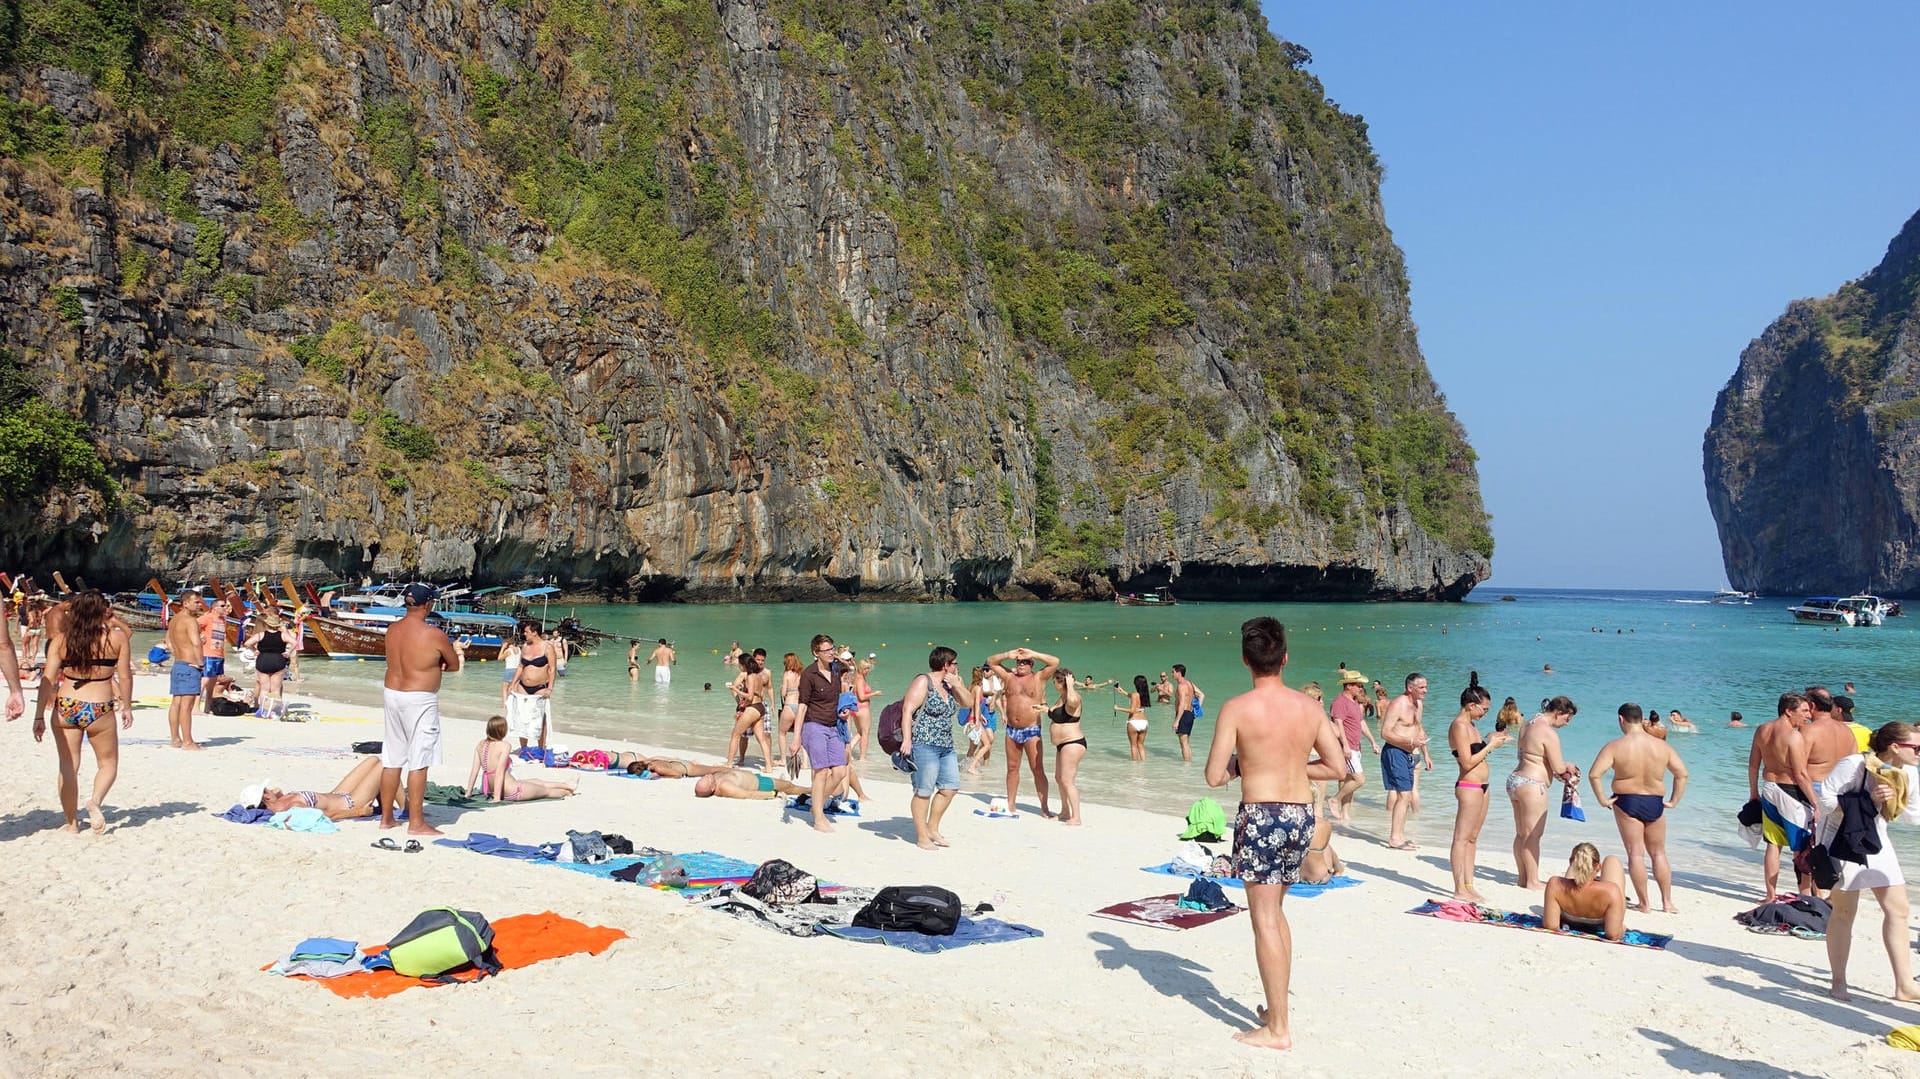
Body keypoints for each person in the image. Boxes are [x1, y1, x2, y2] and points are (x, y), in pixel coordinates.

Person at [1203, 617, 1346, 1051]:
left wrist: (1248, 766)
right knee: (1277, 913)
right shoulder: (1310, 708)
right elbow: (1338, 769)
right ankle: (1275, 1008)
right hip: (1301, 814)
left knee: (1264, 919)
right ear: (1285, 658)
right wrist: (1291, 767)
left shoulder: (1236, 708)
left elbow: (1213, 776)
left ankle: (1278, 1028)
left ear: (1246, 660)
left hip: (1261, 816)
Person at [1817, 721, 1920, 1002]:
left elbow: (1913, 817)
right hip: (1844, 841)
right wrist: (1866, 798)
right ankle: (1838, 982)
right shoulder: (1854, 764)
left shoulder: (1908, 772)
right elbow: (1824, 799)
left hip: (1878, 841)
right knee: (1844, 913)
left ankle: (1905, 985)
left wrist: (1895, 795)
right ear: (1895, 747)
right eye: (1917, 747)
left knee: (1899, 910)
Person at [32, 591, 132, 833]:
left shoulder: (61, 640)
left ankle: (71, 823)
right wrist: (126, 706)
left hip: (67, 706)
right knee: (108, 764)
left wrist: (38, 715)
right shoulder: (117, 639)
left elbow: (48, 679)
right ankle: (94, 801)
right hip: (100, 707)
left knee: (68, 765)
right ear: (102, 611)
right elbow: (125, 676)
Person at [1589, 703, 1688, 913]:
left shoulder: (1615, 746)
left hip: (1627, 801)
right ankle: (1667, 903)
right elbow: (1682, 774)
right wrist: (1673, 801)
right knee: (1659, 853)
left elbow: (1594, 774)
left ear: (1621, 719)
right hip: (1655, 801)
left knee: (1636, 854)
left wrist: (1602, 800)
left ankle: (1644, 904)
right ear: (1641, 719)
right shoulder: (1661, 746)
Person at [379, 583, 460, 837]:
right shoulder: (433, 634)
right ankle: (416, 823)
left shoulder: (392, 630)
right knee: (419, 760)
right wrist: (439, 664)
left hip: (392, 693)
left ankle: (386, 818)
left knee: (392, 757)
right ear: (428, 604)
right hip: (419, 698)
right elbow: (455, 664)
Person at [899, 645, 973, 849]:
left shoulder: (951, 685)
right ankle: (922, 836)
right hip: (924, 743)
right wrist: (907, 739)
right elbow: (907, 709)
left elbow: (968, 703)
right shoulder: (924, 681)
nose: (958, 667)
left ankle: (932, 827)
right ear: (946, 665)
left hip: (946, 745)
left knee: (950, 787)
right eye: (955, 663)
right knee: (924, 790)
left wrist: (957, 685)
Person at [1750, 692, 1819, 901]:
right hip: (1790, 793)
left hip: (1768, 787)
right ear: (1789, 711)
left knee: (1773, 844)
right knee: (1801, 847)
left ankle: (1770, 895)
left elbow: (1754, 764)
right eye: (1804, 711)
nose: (1808, 715)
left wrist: (1753, 792)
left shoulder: (1762, 729)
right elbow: (1800, 774)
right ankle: (1805, 895)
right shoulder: (1794, 736)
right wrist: (1816, 804)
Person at [1508, 696, 1580, 889]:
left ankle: (1523, 878)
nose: (1566, 724)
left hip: (1515, 780)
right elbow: (1557, 767)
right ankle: (1532, 880)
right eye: (1567, 719)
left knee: (1521, 833)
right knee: (1533, 835)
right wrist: (1569, 767)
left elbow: (1530, 754)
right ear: (1558, 713)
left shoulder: (1527, 724)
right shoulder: (1548, 732)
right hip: (1532, 784)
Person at [1445, 672, 1506, 901]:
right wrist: (1490, 746)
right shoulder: (1459, 725)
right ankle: (1459, 887)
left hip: (1483, 785)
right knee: (1461, 837)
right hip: (1469, 785)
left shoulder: (1471, 725)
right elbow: (1467, 761)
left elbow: (1476, 751)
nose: (1485, 714)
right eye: (1484, 710)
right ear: (1471, 705)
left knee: (1472, 837)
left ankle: (1469, 884)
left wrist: (1493, 740)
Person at [986, 646, 1060, 818]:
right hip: (1011, 729)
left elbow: (1055, 662)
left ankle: (1044, 808)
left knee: (1037, 769)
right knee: (1012, 768)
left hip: (1031, 729)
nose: (1021, 664)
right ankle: (1011, 804)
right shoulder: (1008, 676)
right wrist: (1007, 654)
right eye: (1019, 661)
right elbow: (991, 661)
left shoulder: (1039, 677)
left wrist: (1033, 653)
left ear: (1031, 664)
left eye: (1025, 662)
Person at [790, 634, 849, 832]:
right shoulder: (809, 674)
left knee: (840, 771)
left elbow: (853, 670)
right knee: (821, 771)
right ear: (816, 653)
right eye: (826, 650)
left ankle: (816, 803)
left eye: (832, 648)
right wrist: (796, 737)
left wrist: (844, 709)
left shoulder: (835, 669)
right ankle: (818, 818)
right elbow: (803, 706)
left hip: (834, 726)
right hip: (813, 725)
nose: (831, 652)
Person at [467, 716, 577, 801]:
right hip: (512, 791)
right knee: (545, 791)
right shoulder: (504, 745)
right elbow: (499, 772)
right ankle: (567, 791)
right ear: (502, 731)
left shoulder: (480, 745)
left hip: (493, 789)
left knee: (537, 781)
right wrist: (496, 798)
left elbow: (474, 771)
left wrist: (469, 792)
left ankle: (567, 785)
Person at [1379, 672, 1431, 850]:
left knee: (1406, 795)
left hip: (1410, 752)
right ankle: (1395, 838)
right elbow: (1385, 733)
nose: (1425, 690)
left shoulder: (1419, 705)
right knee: (1404, 795)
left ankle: (1399, 836)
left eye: (1426, 686)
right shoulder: (1398, 704)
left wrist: (1426, 753)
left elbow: (1419, 729)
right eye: (1422, 687)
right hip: (1395, 751)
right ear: (1410, 688)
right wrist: (1409, 742)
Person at [251, 756, 385, 820]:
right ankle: (405, 807)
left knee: (373, 760)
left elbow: (277, 791)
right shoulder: (292, 806)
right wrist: (359, 811)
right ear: (266, 797)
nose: (270, 789)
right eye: (266, 789)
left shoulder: (280, 801)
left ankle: (400, 805)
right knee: (386, 764)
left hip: (337, 794)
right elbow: (327, 816)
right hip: (350, 803)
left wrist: (276, 795)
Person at [1542, 842, 1628, 941]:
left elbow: (1551, 925)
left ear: (1570, 863)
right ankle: (1589, 873)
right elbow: (1613, 934)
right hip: (1602, 919)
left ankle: (1580, 870)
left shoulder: (1555, 884)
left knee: (1576, 869)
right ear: (1598, 867)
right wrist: (1623, 928)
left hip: (1570, 919)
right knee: (1611, 860)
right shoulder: (1611, 891)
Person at [1330, 671, 1378, 820]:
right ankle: (1334, 800)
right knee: (1359, 779)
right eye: (1358, 685)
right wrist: (1344, 746)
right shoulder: (1339, 702)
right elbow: (1338, 725)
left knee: (1348, 780)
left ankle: (1345, 814)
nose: (1361, 688)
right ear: (1349, 686)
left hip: (1356, 746)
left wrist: (1373, 742)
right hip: (1347, 746)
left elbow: (1361, 723)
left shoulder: (1355, 702)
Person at [165, 590, 208, 749]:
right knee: (186, 705)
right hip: (190, 665)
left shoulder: (174, 619)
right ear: (185, 603)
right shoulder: (190, 621)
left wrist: (178, 652)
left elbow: (168, 641)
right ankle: (188, 741)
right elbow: (196, 643)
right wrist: (200, 662)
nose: (199, 605)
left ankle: (175, 738)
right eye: (196, 602)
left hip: (179, 663)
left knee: (176, 702)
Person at [1047, 667, 1088, 826]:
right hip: (1062, 744)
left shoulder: (1073, 696)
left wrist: (1070, 685)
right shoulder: (1061, 697)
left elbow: (1072, 703)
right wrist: (1045, 709)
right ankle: (1064, 811)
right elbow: (1057, 713)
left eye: (1055, 681)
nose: (1053, 683)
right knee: (1059, 778)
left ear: (1060, 682)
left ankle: (1076, 817)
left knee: (1067, 780)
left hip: (1073, 742)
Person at [506, 620, 554, 751]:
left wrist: (550, 688)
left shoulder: (547, 647)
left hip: (540, 687)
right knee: (522, 716)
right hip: (523, 686)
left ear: (534, 632)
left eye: (526, 631)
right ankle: (524, 748)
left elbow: (552, 669)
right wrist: (513, 683)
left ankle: (541, 747)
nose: (524, 634)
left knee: (540, 717)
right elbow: (521, 666)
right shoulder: (525, 646)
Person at [724, 654, 772, 767]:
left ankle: (729, 763)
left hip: (753, 708)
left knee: (735, 734)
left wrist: (735, 689)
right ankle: (769, 766)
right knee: (761, 738)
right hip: (761, 707)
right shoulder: (759, 675)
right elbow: (759, 693)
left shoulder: (750, 676)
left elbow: (750, 697)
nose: (739, 666)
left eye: (739, 664)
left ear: (743, 665)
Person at [243, 609, 291, 718]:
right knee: (276, 688)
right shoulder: (282, 635)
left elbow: (247, 643)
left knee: (264, 688)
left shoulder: (261, 635)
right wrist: (288, 652)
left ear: (267, 624)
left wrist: (254, 650)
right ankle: (275, 712)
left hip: (263, 660)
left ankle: (263, 710)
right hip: (278, 660)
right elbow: (294, 642)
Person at [197, 595, 230, 713]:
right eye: (222, 606)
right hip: (207, 653)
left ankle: (207, 707)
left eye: (226, 605)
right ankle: (196, 707)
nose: (225, 608)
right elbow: (194, 625)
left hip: (218, 654)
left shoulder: (223, 620)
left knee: (212, 683)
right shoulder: (207, 617)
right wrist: (199, 636)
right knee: (204, 680)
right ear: (214, 608)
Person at [694, 768, 810, 799]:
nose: (707, 776)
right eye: (707, 780)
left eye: (704, 777)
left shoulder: (714, 779)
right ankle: (811, 790)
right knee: (789, 786)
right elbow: (747, 794)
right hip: (761, 784)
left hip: (755, 777)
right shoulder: (726, 786)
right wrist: (773, 794)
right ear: (713, 788)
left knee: (785, 783)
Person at [1171, 663, 1203, 762]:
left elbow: (1181, 704)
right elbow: (1201, 695)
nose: (1172, 674)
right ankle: (1188, 765)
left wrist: (1176, 721)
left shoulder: (1181, 686)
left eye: (1173, 672)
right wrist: (1196, 710)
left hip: (1183, 714)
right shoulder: (1190, 684)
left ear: (1178, 673)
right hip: (1189, 714)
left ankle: (1186, 765)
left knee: (1183, 743)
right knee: (1186, 742)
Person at [1117, 674, 1151, 762]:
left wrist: (1118, 708)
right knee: (1141, 745)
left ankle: (1135, 768)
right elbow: (1134, 697)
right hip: (1144, 722)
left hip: (1134, 722)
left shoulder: (1135, 695)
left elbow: (1132, 711)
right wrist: (1123, 692)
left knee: (1133, 745)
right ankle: (1144, 765)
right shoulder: (1145, 695)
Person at [851, 656, 878, 761]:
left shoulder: (856, 677)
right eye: (866, 668)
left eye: (868, 668)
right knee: (865, 733)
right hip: (862, 708)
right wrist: (874, 693)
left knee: (860, 732)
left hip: (856, 708)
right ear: (861, 668)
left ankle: (848, 749)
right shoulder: (860, 679)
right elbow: (861, 697)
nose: (868, 671)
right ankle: (862, 758)